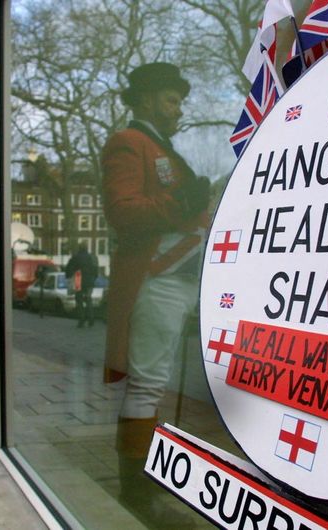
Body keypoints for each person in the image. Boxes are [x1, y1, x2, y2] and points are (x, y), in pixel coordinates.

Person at [101, 62, 210, 525]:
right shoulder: (129, 142)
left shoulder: (162, 147)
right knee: (147, 384)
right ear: (145, 100)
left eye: (180, 100)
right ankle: (136, 492)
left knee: (159, 383)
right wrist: (179, 202)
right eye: (171, 99)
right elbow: (124, 212)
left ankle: (152, 475)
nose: (178, 108)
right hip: (157, 278)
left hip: (180, 279)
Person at [64, 244, 99, 327]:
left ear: (79, 249)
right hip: (90, 280)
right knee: (88, 298)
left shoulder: (75, 257)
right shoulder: (92, 257)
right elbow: (96, 270)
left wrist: (68, 276)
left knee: (79, 299)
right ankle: (91, 319)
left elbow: (69, 268)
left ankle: (81, 320)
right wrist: (93, 278)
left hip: (78, 278)